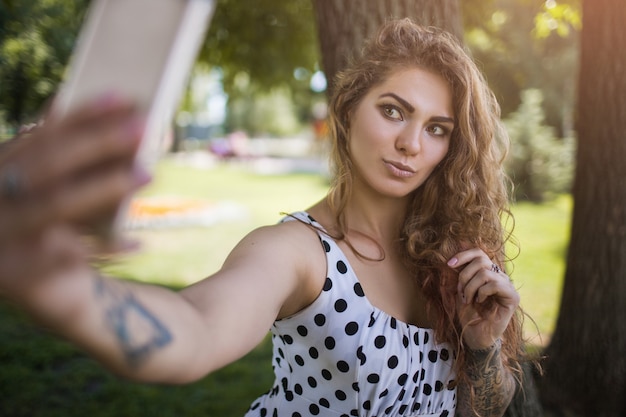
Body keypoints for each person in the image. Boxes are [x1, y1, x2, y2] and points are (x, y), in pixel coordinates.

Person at [0, 19, 526, 417]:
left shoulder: (455, 256)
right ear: (347, 112)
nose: (411, 143)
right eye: (392, 111)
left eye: (437, 129)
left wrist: (481, 348)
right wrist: (58, 283)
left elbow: (489, 403)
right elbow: (195, 331)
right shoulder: (298, 252)